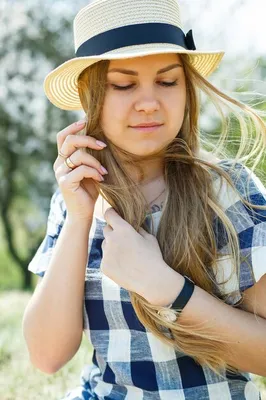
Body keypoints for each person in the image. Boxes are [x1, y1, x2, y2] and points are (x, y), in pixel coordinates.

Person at [22, 0, 266, 399]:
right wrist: (79, 218)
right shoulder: (74, 196)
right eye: (124, 84)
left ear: (187, 89)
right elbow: (46, 356)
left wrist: (168, 289)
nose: (150, 102)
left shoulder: (228, 190)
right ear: (90, 95)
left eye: (168, 82)